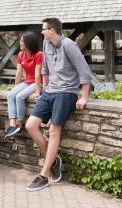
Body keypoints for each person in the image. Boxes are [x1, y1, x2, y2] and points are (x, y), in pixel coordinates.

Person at [25, 18, 93, 192]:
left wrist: (83, 97)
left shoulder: (69, 45)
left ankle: (44, 175)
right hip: (50, 92)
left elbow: (84, 71)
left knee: (54, 130)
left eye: (44, 29)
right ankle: (54, 161)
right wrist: (45, 90)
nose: (41, 32)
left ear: (52, 30)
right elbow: (46, 69)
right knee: (31, 125)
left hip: (66, 93)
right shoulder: (47, 44)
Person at [5, 31, 43, 137]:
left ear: (29, 43)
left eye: (22, 41)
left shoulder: (38, 55)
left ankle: (19, 125)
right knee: (11, 95)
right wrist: (15, 87)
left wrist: (37, 92)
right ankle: (12, 126)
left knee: (19, 97)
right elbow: (19, 73)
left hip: (37, 83)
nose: (20, 43)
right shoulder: (21, 54)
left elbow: (37, 74)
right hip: (27, 82)